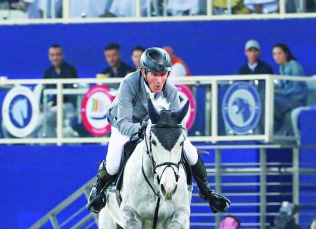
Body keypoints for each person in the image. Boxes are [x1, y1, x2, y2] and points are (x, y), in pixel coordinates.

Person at [85, 47, 230, 214]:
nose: (159, 80)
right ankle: (97, 191)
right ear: (144, 72)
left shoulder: (170, 90)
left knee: (191, 152)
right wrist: (141, 129)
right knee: (112, 164)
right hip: (124, 123)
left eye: (163, 74)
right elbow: (124, 122)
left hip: (154, 128)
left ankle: (208, 194)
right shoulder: (129, 83)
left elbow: (180, 126)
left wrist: (174, 136)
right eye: (155, 74)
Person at [271, 42, 307, 132]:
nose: (277, 56)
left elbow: (297, 89)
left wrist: (279, 92)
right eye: (274, 54)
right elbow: (283, 86)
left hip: (296, 101)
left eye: (279, 53)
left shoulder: (294, 66)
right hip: (287, 99)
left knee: (272, 101)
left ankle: (274, 129)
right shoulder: (281, 68)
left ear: (286, 54)